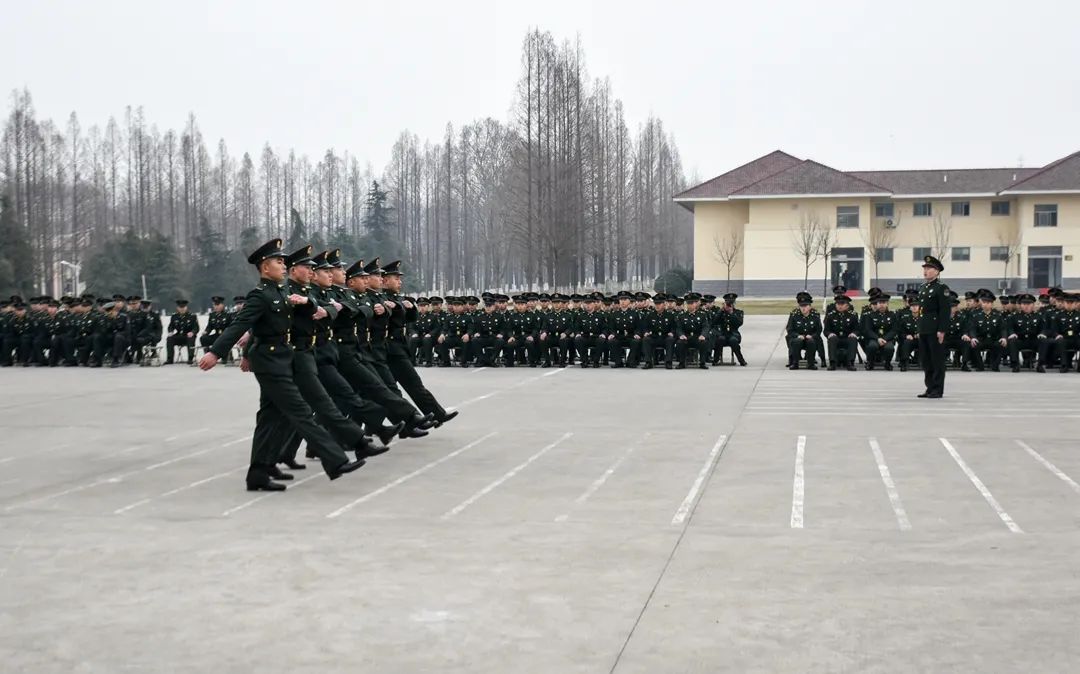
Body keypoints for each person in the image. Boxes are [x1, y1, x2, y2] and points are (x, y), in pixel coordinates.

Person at [198, 238, 365, 492]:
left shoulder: (282, 291)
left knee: (269, 418)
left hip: (283, 360)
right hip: (269, 362)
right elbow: (241, 325)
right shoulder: (261, 295)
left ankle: (258, 473)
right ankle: (336, 461)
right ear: (265, 267)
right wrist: (215, 352)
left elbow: (303, 313)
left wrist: (309, 304)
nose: (284, 265)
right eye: (279, 262)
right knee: (299, 411)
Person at [917, 255, 950, 398]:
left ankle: (937, 389)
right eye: (925, 268)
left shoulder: (941, 288)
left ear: (937, 271)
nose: (926, 271)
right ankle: (929, 387)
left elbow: (944, 311)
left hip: (935, 329)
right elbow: (921, 311)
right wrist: (919, 328)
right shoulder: (923, 288)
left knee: (937, 360)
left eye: (929, 268)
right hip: (924, 329)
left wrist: (942, 330)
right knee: (926, 360)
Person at [823, 294, 859, 371]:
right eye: (838, 304)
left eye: (842, 304)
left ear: (847, 305)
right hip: (836, 338)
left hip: (847, 338)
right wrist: (829, 334)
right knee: (832, 339)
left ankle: (850, 363)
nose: (840, 306)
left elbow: (857, 329)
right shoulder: (830, 316)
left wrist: (854, 333)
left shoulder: (853, 316)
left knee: (853, 339)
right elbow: (826, 330)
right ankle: (832, 363)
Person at [861, 294, 896, 370]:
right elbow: (868, 330)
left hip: (887, 339)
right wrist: (877, 338)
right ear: (877, 304)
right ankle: (870, 363)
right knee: (872, 346)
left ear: (887, 304)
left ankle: (887, 363)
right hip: (874, 338)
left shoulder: (892, 315)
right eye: (880, 303)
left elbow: (894, 330)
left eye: (884, 303)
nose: (881, 305)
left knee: (889, 347)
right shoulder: (870, 315)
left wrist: (885, 339)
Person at [787, 294, 821, 370]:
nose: (803, 308)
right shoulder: (794, 315)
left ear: (809, 307)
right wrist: (797, 335)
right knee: (796, 341)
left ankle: (811, 364)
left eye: (805, 306)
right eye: (801, 306)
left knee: (811, 341)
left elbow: (818, 330)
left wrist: (812, 336)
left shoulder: (815, 315)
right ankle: (795, 363)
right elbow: (790, 329)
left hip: (810, 338)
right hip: (798, 338)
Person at [165, 299, 198, 365]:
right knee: (169, 339)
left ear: (186, 307)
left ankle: (190, 358)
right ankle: (170, 359)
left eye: (183, 307)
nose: (182, 309)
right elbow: (170, 326)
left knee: (190, 339)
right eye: (180, 307)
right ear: (177, 308)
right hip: (179, 335)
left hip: (188, 336)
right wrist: (170, 331)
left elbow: (196, 327)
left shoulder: (192, 316)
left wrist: (192, 332)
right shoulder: (174, 316)